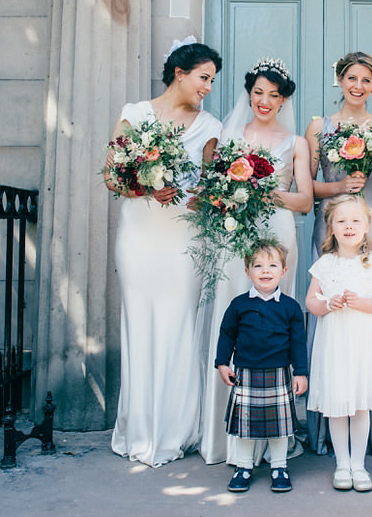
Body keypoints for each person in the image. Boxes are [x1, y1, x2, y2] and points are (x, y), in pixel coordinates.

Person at [105, 39, 223, 467]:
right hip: (139, 235)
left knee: (177, 327)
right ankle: (138, 428)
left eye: (212, 80)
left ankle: (174, 429)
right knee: (139, 325)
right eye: (203, 77)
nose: (208, 86)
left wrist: (202, 198)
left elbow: (212, 187)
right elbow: (112, 178)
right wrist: (145, 188)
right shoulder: (134, 115)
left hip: (183, 240)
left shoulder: (210, 125)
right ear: (179, 72)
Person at [197, 57, 313, 465]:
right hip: (236, 236)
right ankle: (227, 435)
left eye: (274, 95)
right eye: (259, 92)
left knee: (275, 324)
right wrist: (234, 188)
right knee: (238, 319)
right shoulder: (228, 135)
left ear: (284, 100)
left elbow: (304, 200)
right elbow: (212, 190)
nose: (265, 101)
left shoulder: (296, 143)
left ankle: (275, 435)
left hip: (279, 232)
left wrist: (261, 189)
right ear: (249, 93)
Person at [304, 52, 372, 457]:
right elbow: (307, 186)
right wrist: (341, 186)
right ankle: (327, 431)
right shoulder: (319, 128)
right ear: (340, 80)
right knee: (331, 308)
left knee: (370, 309)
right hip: (332, 224)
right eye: (351, 77)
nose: (358, 86)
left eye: (366, 80)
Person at [305, 194, 372, 492]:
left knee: (359, 407)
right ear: (330, 227)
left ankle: (359, 464)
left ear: (367, 225)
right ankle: (341, 464)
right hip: (334, 347)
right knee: (336, 404)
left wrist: (361, 303)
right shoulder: (325, 264)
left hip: (362, 347)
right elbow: (311, 303)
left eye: (355, 220)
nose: (348, 226)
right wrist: (328, 303)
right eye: (341, 221)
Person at [215, 241, 309, 493]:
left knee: (279, 427)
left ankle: (279, 467)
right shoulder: (239, 305)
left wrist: (301, 372)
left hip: (279, 374)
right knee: (246, 426)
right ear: (248, 271)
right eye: (258, 265)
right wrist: (222, 363)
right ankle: (243, 467)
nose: (265, 271)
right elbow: (227, 335)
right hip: (245, 373)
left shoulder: (290, 307)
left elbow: (298, 342)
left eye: (272, 265)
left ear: (283, 271)